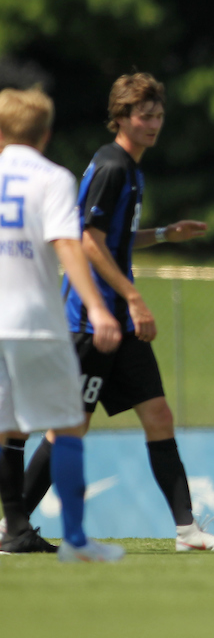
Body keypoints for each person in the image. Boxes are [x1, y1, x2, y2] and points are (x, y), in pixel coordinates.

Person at [12, 73, 214, 552]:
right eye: (144, 116)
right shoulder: (112, 165)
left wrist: (162, 234)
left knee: (158, 414)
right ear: (120, 118)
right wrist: (132, 299)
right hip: (92, 322)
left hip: (120, 321)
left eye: (159, 116)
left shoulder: (131, 169)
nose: (154, 124)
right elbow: (87, 242)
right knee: (68, 427)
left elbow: (112, 239)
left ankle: (188, 532)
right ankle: (13, 529)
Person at [0, 87, 126, 562]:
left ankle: (14, 531)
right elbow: (68, 245)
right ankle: (75, 540)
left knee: (7, 429)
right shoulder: (53, 177)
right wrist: (96, 306)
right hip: (34, 320)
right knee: (68, 423)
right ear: (46, 133)